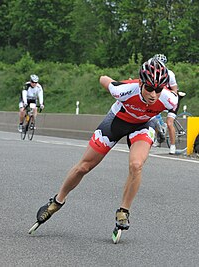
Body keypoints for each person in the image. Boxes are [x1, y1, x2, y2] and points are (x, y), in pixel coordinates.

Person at [30, 59, 178, 241]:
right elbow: (103, 78)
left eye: (158, 89)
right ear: (141, 82)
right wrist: (117, 81)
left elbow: (172, 110)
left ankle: (123, 211)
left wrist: (164, 123)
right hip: (117, 121)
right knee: (84, 166)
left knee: (137, 165)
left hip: (143, 126)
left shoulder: (169, 98)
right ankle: (57, 201)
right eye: (149, 88)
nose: (154, 94)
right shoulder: (123, 90)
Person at [153, 54, 180, 154]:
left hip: (171, 100)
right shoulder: (153, 73)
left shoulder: (170, 74)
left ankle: (172, 146)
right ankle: (159, 137)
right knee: (152, 117)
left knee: (169, 123)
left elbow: (174, 89)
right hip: (160, 99)